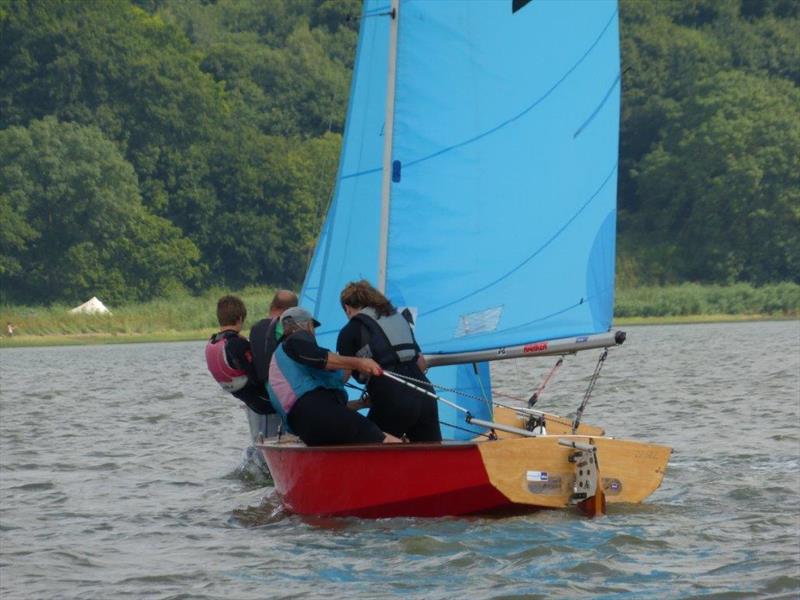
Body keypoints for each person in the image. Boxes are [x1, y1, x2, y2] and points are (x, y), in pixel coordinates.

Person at [267, 306, 402, 446]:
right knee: (380, 437)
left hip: (304, 427)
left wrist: (361, 404)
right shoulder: (296, 340)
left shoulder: (283, 358)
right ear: (307, 325)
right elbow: (321, 359)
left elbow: (328, 409)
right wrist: (359, 362)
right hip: (315, 413)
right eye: (313, 326)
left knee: (356, 435)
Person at [337, 280, 441, 442]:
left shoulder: (350, 330)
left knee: (369, 446)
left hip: (392, 396)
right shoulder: (398, 320)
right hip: (424, 391)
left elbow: (344, 373)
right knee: (431, 455)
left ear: (347, 307)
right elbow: (421, 363)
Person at [205, 295, 275, 418]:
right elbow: (258, 375)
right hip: (263, 402)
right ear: (240, 318)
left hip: (247, 399)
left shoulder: (213, 342)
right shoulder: (237, 344)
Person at [249, 289, 298, 388]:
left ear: (272, 305)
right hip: (284, 385)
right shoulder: (287, 325)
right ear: (292, 310)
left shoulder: (255, 327)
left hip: (263, 384)